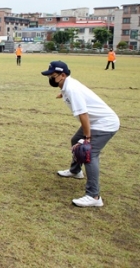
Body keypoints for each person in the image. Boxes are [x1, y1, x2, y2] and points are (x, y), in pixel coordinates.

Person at [41, 61, 119, 207]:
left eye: (53, 75)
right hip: (96, 122)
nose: (50, 78)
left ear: (62, 75)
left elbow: (83, 114)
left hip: (105, 124)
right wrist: (62, 94)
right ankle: (75, 171)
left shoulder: (72, 90)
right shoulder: (67, 86)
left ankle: (94, 196)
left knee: (89, 154)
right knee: (76, 140)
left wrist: (87, 137)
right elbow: (72, 95)